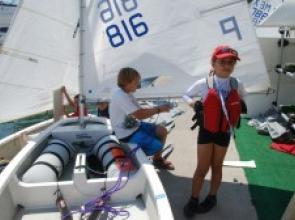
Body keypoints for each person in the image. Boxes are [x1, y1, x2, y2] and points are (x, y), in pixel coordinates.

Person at [182, 45, 246, 217]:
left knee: (217, 166)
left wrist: (237, 106)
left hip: (223, 132)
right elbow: (185, 95)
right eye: (222, 61)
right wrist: (193, 104)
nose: (227, 65)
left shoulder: (236, 83)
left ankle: (212, 197)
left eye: (231, 62)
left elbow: (241, 98)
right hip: (206, 130)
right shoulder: (204, 83)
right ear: (213, 63)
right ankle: (193, 199)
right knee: (202, 168)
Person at [109, 67, 175, 170]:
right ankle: (134, 156)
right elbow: (139, 115)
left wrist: (158, 107)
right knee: (156, 146)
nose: (138, 84)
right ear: (127, 82)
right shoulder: (120, 96)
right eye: (136, 82)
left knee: (162, 131)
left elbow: (140, 110)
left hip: (135, 126)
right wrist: (159, 109)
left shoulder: (128, 93)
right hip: (126, 134)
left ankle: (157, 160)